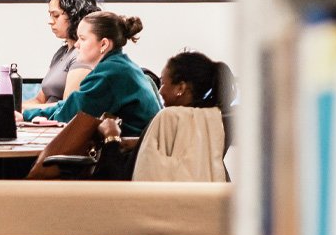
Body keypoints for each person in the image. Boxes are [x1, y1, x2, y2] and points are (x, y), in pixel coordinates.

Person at [23, 11, 163, 179]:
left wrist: (24, 116)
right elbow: (74, 104)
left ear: (103, 44)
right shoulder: (121, 66)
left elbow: (69, 114)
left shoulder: (110, 74)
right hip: (134, 159)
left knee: (17, 168)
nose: (76, 45)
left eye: (82, 39)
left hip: (125, 165)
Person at [94, 50, 236, 181]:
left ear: (180, 88)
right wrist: (140, 142)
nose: (160, 92)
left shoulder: (168, 117)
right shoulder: (213, 119)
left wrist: (111, 136)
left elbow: (123, 178)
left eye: (162, 83)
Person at [24, 0, 102, 110]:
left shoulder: (82, 54)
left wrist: (22, 112)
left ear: (74, 15)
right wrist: (8, 107)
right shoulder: (61, 52)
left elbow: (67, 106)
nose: (50, 21)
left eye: (56, 16)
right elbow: (39, 100)